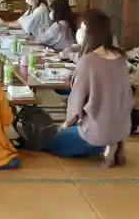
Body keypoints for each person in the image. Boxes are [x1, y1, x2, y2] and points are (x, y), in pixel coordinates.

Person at [47, 10, 133, 167]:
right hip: (122, 124)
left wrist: (67, 122)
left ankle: (104, 146)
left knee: (54, 143)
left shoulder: (88, 61)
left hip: (97, 128)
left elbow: (77, 99)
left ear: (90, 32)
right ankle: (116, 142)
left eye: (82, 27)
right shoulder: (120, 57)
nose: (79, 30)